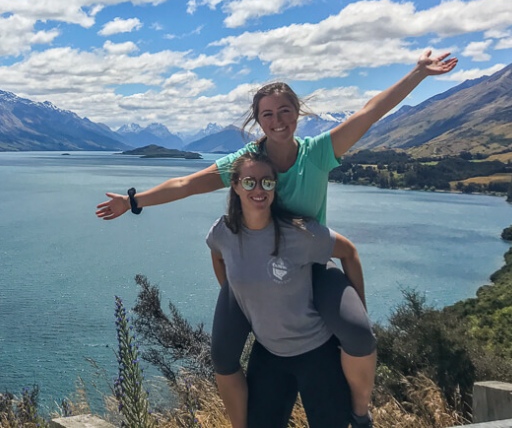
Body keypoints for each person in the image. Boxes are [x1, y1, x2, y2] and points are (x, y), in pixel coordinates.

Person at [96, 50, 458, 426]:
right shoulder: (247, 163)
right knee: (223, 356)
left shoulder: (319, 153)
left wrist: (418, 73)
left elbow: (369, 112)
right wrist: (134, 201)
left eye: (285, 111)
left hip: (311, 263)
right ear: (258, 120)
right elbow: (186, 184)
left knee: (357, 333)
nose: (277, 120)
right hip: (254, 267)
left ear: (297, 113)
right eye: (267, 114)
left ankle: (360, 412)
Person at [207, 151, 371, 427]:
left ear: (275, 187)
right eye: (249, 182)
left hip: (318, 355)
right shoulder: (223, 232)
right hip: (269, 356)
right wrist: (237, 295)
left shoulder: (302, 234)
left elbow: (349, 252)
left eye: (267, 182)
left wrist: (359, 309)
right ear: (235, 186)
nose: (258, 189)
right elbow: (217, 253)